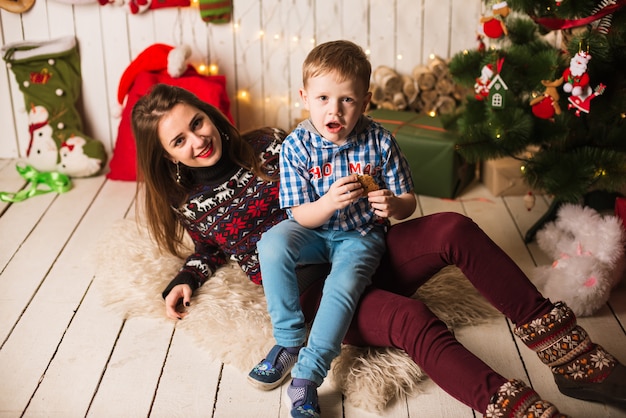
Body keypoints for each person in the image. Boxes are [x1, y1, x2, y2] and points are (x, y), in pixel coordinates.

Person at [131, 81, 626, 418]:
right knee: (412, 319)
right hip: (318, 296)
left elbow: (335, 155)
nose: (198, 139)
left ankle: (569, 353)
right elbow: (210, 246)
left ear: (208, 115)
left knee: (453, 226)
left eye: (197, 123)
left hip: (358, 246)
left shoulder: (270, 143)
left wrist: (378, 195)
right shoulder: (189, 202)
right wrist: (187, 277)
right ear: (166, 155)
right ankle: (519, 409)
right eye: (180, 140)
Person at [247, 40, 416, 417]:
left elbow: (407, 200)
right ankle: (289, 341)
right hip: (312, 229)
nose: (333, 109)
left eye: (346, 100)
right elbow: (298, 214)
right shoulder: (296, 146)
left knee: (341, 287)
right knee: (272, 243)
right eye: (323, 98)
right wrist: (327, 204)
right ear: (305, 97)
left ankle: (307, 376)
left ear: (365, 101)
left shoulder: (380, 141)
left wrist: (394, 204)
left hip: (360, 235)